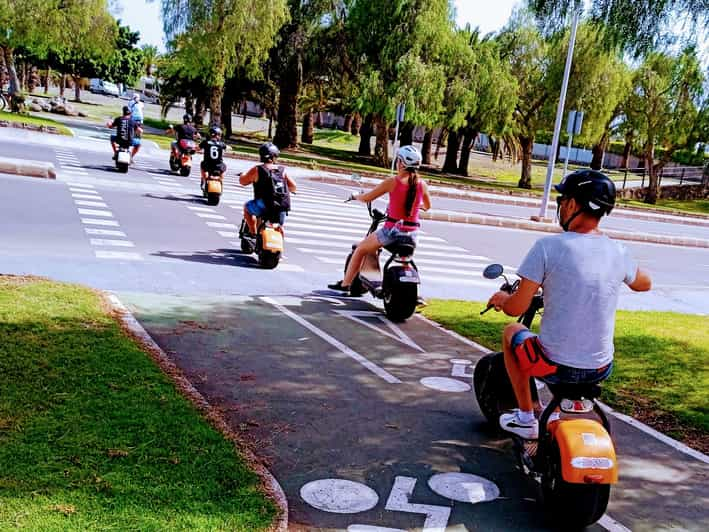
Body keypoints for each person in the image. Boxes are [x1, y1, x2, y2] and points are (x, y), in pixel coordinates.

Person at [486, 169, 652, 440]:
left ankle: (526, 418)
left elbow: (516, 307)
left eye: (561, 201)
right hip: (599, 369)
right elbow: (644, 283)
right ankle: (555, 411)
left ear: (572, 204)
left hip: (555, 366)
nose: (560, 207)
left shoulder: (547, 247)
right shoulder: (618, 251)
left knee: (512, 331)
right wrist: (625, 269)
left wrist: (502, 298)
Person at [328, 145, 432, 294]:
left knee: (360, 250)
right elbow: (427, 206)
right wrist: (416, 207)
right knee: (406, 259)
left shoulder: (393, 181)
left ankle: (345, 285)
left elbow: (368, 198)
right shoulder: (422, 184)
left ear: (402, 163)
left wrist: (357, 196)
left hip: (392, 232)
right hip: (413, 235)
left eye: (398, 160)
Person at [239, 142, 296, 235]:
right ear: (275, 156)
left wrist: (242, 175)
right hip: (281, 207)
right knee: (279, 223)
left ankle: (253, 233)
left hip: (265, 204)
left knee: (246, 207)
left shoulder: (258, 169)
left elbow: (243, 182)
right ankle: (279, 231)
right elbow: (293, 187)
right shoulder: (282, 170)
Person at [199, 125, 227, 190]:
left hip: (207, 164)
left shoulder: (205, 142)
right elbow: (227, 148)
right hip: (218, 165)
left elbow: (198, 148)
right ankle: (221, 181)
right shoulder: (222, 144)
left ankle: (203, 179)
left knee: (202, 164)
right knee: (224, 167)